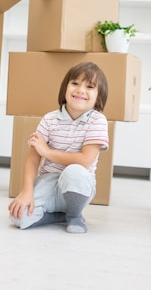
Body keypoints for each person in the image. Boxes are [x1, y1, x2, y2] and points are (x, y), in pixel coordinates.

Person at [7, 62, 109, 234]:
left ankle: (74, 215)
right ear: (65, 88)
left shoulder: (97, 120)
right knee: (18, 217)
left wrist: (46, 151)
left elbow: (85, 161)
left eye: (90, 86)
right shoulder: (49, 119)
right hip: (49, 183)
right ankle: (61, 216)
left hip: (77, 185)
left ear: (98, 97)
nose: (81, 90)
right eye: (75, 83)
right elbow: (33, 159)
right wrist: (26, 191)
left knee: (74, 171)